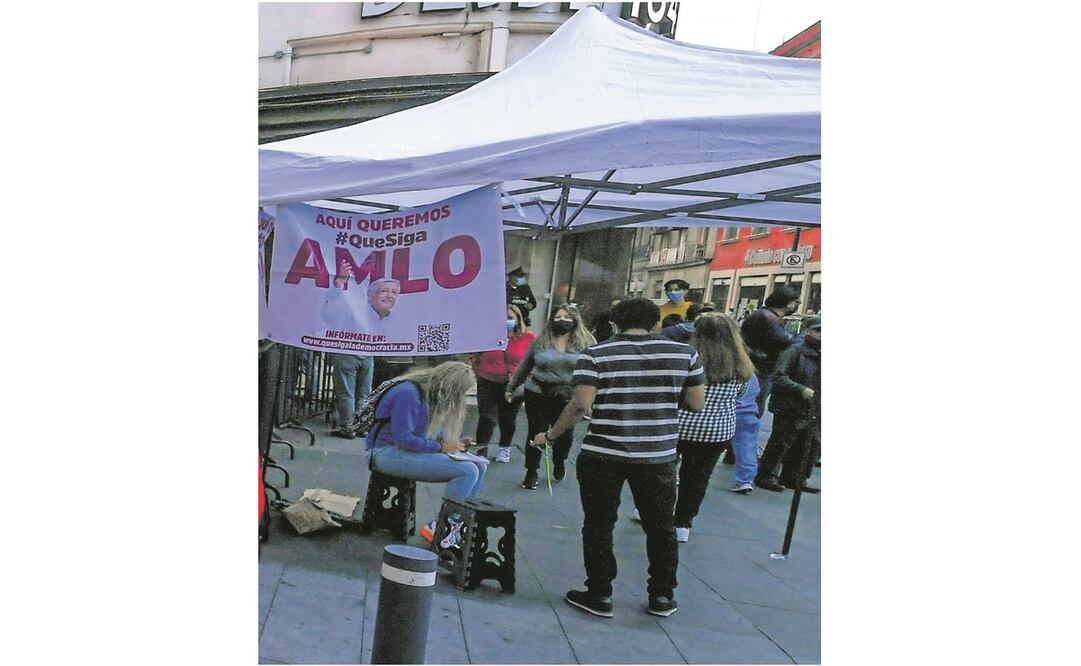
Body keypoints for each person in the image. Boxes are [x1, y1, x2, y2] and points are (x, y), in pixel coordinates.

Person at [531, 297, 705, 618]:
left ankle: (599, 593)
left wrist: (550, 436)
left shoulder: (596, 354)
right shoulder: (684, 354)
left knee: (599, 524)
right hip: (657, 456)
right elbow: (696, 403)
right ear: (655, 323)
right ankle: (662, 596)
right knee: (661, 527)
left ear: (614, 324)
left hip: (603, 454)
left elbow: (581, 405)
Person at [365, 361, 489, 540]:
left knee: (480, 467)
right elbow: (403, 439)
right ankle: (444, 528)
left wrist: (454, 443)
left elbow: (420, 434)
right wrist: (441, 447)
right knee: (468, 470)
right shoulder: (408, 393)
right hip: (383, 452)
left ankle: (457, 526)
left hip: (396, 450)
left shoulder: (423, 392)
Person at [672, 314, 754, 542]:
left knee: (666, 472)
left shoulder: (687, 358)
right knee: (697, 478)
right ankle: (682, 524)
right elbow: (740, 394)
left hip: (680, 424)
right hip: (717, 429)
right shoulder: (741, 363)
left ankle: (655, 511)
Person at [507, 304, 595, 490]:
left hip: (568, 395)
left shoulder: (587, 341)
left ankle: (560, 460)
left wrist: (592, 397)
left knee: (564, 433)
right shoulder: (541, 341)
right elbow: (525, 365)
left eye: (566, 317)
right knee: (535, 431)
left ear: (575, 320)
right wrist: (512, 387)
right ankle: (531, 470)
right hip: (538, 391)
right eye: (558, 317)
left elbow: (595, 369)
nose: (562, 320)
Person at [755, 317, 821, 493]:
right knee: (781, 443)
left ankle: (795, 478)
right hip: (790, 405)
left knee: (807, 445)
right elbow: (779, 376)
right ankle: (766, 475)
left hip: (812, 408)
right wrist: (800, 389)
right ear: (809, 331)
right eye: (818, 330)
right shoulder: (794, 351)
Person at [469, 305, 536, 463]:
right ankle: (481, 450)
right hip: (487, 382)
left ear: (518, 320)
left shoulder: (528, 338)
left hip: (512, 385)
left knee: (508, 419)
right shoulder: (487, 335)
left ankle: (505, 448)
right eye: (502, 317)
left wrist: (526, 376)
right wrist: (478, 371)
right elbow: (474, 354)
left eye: (510, 318)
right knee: (487, 418)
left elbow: (534, 359)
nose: (506, 321)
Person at [740, 284, 800, 417]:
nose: (797, 305)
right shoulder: (768, 317)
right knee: (753, 410)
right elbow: (786, 341)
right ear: (788, 302)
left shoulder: (764, 315)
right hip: (759, 370)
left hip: (756, 368)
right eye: (796, 302)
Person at [321, 261, 403, 336]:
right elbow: (329, 316)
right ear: (371, 295)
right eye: (384, 291)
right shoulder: (355, 313)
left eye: (394, 293)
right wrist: (339, 285)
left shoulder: (399, 322)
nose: (389, 295)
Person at [328, 352, 375, 439]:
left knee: (346, 393)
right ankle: (362, 427)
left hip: (347, 354)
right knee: (364, 395)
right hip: (368, 356)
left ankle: (348, 429)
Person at [728, 372, 761, 494]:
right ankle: (745, 481)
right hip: (748, 415)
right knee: (747, 450)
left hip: (725, 415)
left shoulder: (723, 371)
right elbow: (757, 393)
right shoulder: (751, 375)